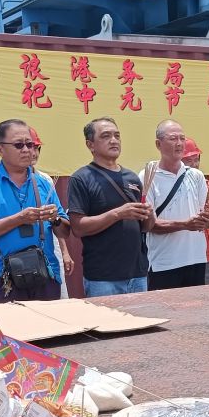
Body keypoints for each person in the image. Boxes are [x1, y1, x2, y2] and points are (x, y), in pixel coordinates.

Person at [0, 119, 70, 303]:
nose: (27, 150)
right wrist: (19, 219)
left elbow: (65, 231)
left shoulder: (43, 183)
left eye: (30, 144)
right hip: (6, 277)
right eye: (18, 145)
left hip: (45, 274)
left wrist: (55, 218)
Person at [67, 117, 154, 297]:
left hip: (137, 274)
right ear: (90, 144)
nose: (114, 140)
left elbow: (144, 228)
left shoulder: (132, 178)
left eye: (117, 135)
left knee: (142, 325)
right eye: (106, 136)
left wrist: (149, 215)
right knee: (109, 325)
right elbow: (78, 227)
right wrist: (118, 213)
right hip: (104, 278)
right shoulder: (81, 178)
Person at [144, 120, 209, 290]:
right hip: (164, 263)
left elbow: (207, 221)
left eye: (182, 139)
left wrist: (207, 219)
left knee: (195, 313)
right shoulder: (148, 176)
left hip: (196, 259)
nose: (179, 143)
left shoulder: (196, 176)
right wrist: (184, 225)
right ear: (158, 144)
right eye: (173, 138)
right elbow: (148, 225)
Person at [28, 126, 74, 298]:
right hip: (24, 256)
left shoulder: (45, 179)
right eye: (28, 147)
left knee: (58, 300)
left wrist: (65, 252)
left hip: (50, 249)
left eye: (36, 148)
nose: (32, 153)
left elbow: (59, 218)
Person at [181, 138, 209, 284]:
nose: (194, 164)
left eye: (197, 159)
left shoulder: (207, 184)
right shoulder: (176, 187)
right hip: (187, 254)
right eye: (189, 160)